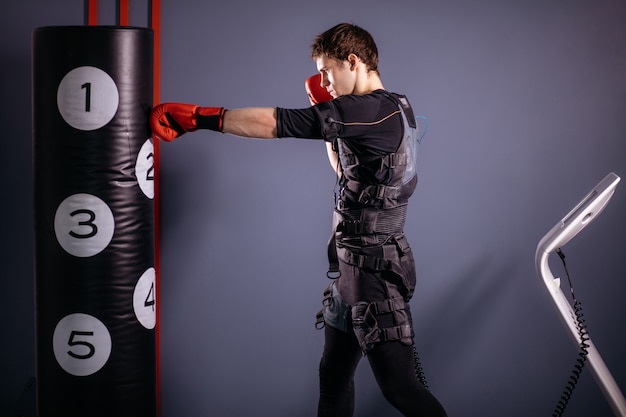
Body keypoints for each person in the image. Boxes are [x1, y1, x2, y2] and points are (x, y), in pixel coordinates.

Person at [150, 22, 448, 417]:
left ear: (353, 61)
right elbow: (346, 175)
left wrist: (202, 119)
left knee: (400, 389)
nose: (323, 81)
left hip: (374, 275)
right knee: (333, 378)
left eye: (327, 71)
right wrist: (329, 124)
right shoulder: (393, 106)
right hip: (351, 271)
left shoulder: (367, 108)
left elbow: (281, 124)